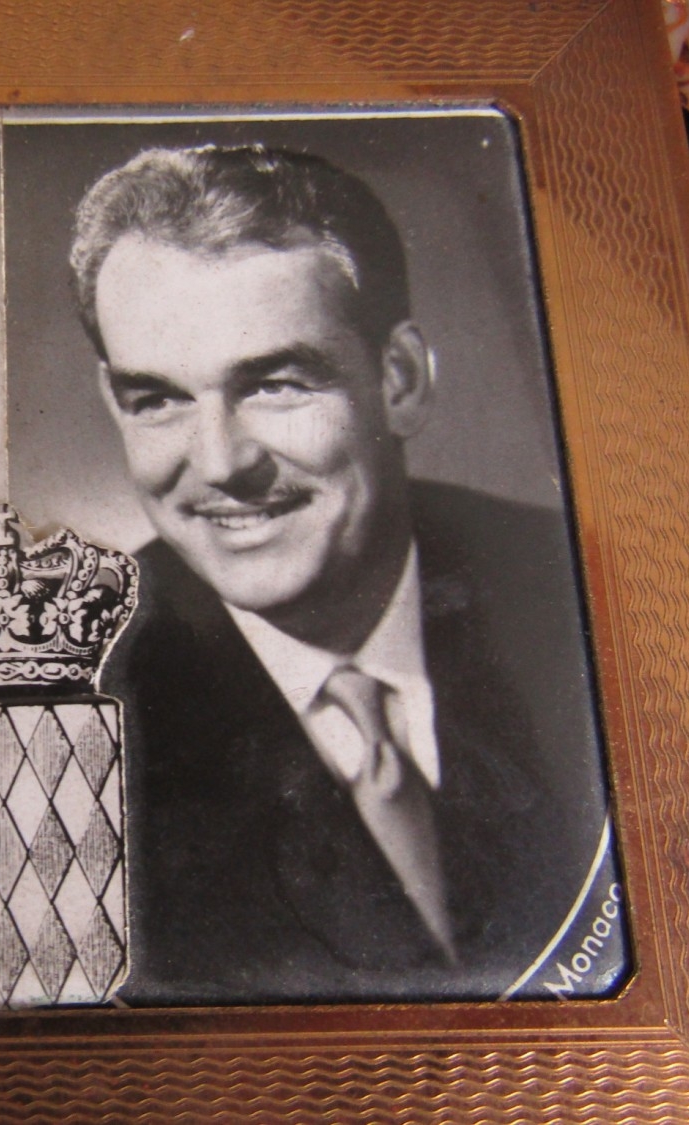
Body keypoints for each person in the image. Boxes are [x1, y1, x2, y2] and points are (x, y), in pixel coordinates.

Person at [69, 144, 618, 1004]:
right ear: (116, 403)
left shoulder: (579, 586)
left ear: (399, 381)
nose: (220, 463)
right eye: (159, 400)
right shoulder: (73, 704)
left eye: (276, 384)